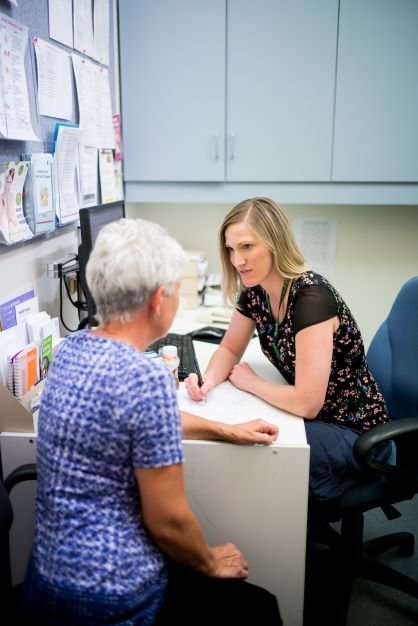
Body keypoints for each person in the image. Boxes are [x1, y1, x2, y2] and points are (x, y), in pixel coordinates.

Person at [20, 217, 281, 626]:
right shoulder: (145, 379)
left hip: (45, 586)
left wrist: (224, 429)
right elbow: (170, 523)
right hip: (115, 599)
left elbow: (130, 420)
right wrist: (209, 561)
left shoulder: (71, 351)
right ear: (160, 300)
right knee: (260, 608)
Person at [185, 197, 395, 536]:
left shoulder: (311, 298)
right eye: (230, 249)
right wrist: (208, 381)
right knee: (242, 437)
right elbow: (228, 348)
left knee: (256, 450)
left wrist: (251, 383)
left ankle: (279, 559)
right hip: (317, 417)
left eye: (247, 247)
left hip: (357, 434)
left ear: (275, 242)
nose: (237, 260)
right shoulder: (255, 293)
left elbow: (307, 403)